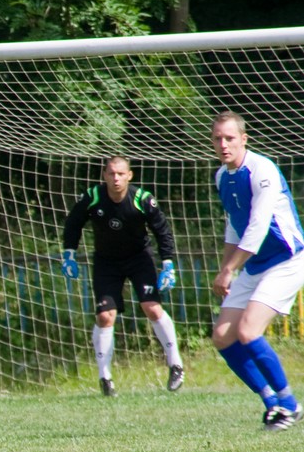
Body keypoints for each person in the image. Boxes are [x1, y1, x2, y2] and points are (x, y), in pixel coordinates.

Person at [210, 110, 303, 431]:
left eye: (230, 138)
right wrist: (227, 268)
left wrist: (229, 271)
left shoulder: (262, 170)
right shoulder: (222, 176)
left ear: (244, 139)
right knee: (222, 336)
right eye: (218, 138)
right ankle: (271, 403)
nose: (223, 145)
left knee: (248, 332)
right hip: (255, 264)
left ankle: (290, 405)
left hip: (288, 260)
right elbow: (235, 230)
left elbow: (259, 227)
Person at [62, 155, 184, 397]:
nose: (116, 178)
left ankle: (176, 364)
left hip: (140, 259)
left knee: (152, 308)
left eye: (120, 174)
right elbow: (73, 224)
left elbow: (162, 230)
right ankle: (105, 379)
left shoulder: (142, 199)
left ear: (130, 175)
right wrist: (69, 255)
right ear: (104, 176)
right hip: (106, 262)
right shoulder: (92, 197)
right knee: (106, 316)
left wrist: (168, 264)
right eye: (111, 173)